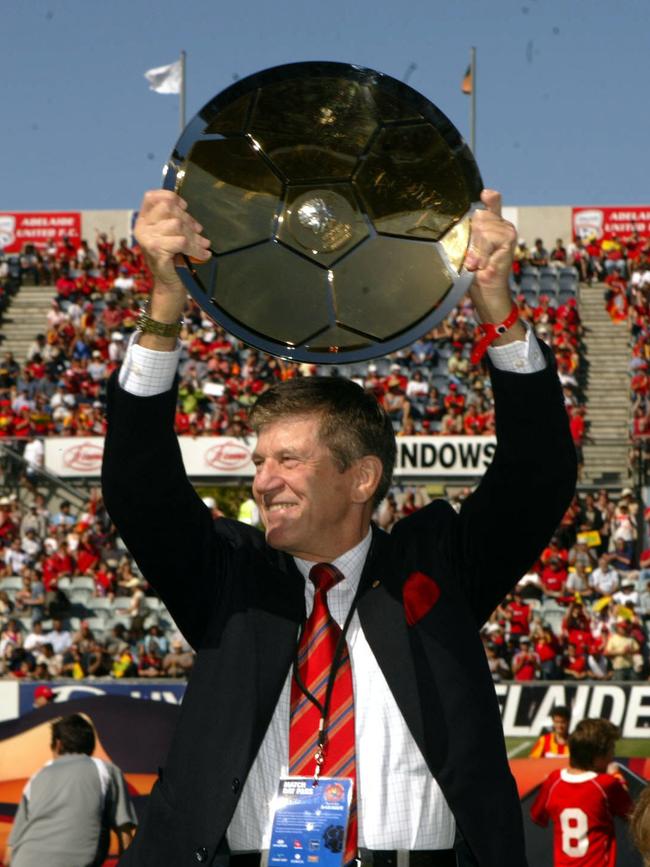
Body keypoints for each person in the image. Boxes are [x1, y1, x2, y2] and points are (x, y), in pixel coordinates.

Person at [101, 187, 576, 867]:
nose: (263, 481)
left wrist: (496, 305)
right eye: (259, 460)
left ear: (361, 478)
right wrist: (164, 302)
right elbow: (137, 484)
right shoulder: (228, 577)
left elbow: (540, 472)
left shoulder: (439, 563)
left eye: (289, 460)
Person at [6, 713, 137, 866]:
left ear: (58, 744)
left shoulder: (37, 777)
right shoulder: (105, 770)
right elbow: (125, 833)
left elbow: (9, 854)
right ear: (91, 744)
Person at [530, 718, 632, 866]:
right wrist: (618, 776)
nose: (612, 756)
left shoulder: (554, 780)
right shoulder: (606, 784)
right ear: (597, 756)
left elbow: (537, 817)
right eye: (611, 750)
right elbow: (632, 814)